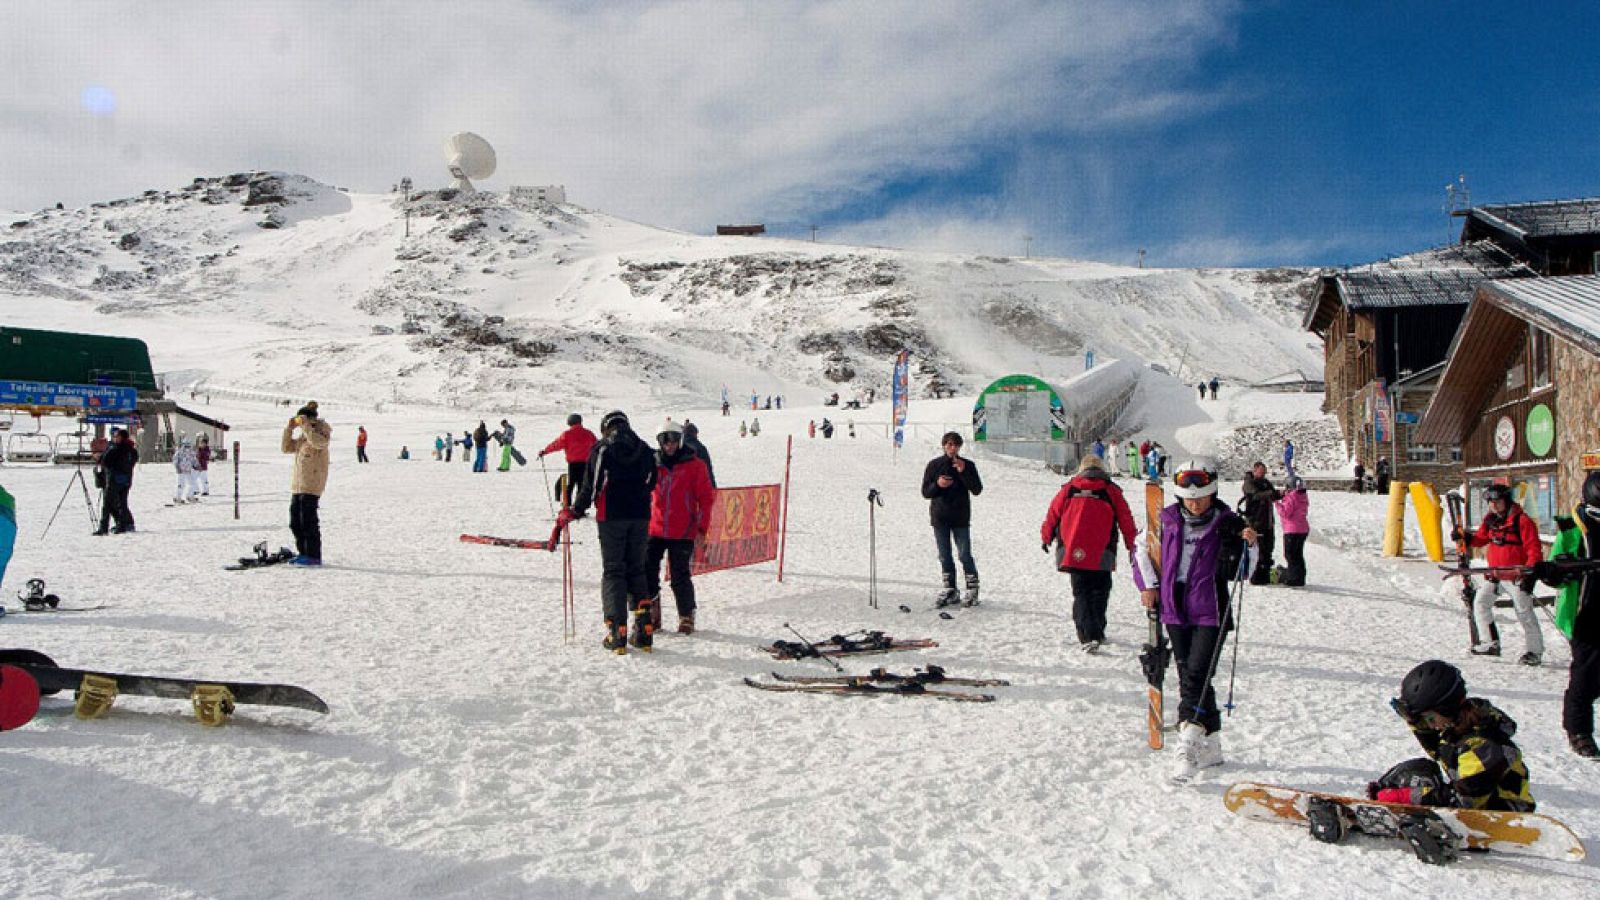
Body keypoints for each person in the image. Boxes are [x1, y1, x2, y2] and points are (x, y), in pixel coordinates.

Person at [1131, 456, 1257, 781]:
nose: (1195, 503)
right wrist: (1149, 585)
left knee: (1197, 673)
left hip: (1210, 609)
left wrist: (1250, 546)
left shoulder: (1226, 522)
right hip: (1174, 607)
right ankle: (1211, 744)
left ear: (1212, 492)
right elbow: (1140, 549)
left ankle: (1187, 740)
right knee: (1190, 672)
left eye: (1200, 496)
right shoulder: (1167, 519)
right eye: (1188, 497)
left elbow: (1246, 569)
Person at [1369, 660, 1534, 812]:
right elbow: (1438, 750)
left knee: (1426, 794)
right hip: (1473, 805)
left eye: (1430, 718)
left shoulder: (1483, 745)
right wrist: (1415, 721)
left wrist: (1404, 797)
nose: (1430, 725)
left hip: (1505, 813)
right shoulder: (1455, 727)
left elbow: (1467, 799)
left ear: (1447, 708)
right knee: (1418, 770)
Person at [571, 410, 658, 653]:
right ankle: (643, 629)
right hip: (641, 515)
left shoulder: (603, 449)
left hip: (611, 516)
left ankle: (616, 630)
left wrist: (577, 509)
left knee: (613, 570)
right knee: (637, 568)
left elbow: (591, 484)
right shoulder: (644, 448)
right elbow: (652, 480)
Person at [1040, 454, 1136, 653]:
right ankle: (1097, 631)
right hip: (1102, 549)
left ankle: (1085, 634)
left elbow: (1053, 513)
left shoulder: (1069, 489)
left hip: (1073, 548)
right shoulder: (1111, 490)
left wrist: (1046, 536)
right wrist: (1132, 544)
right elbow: (1126, 519)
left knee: (1081, 591)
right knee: (1100, 590)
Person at [1536, 471, 1600, 758]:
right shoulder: (1572, 529)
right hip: (1585, 614)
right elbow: (1556, 573)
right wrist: (1555, 571)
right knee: (1585, 676)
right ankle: (1579, 731)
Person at [1455, 483, 1544, 664]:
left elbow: (1534, 549)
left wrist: (1530, 573)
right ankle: (1490, 643)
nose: (1493, 505)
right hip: (1495, 575)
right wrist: (1466, 537)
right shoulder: (1491, 520)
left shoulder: (1522, 521)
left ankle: (1534, 652)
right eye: (1490, 502)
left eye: (1497, 501)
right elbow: (1480, 539)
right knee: (1480, 603)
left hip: (1516, 576)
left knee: (1524, 612)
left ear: (1506, 501)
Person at [647, 419, 716, 636]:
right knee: (647, 571)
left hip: (683, 530)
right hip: (654, 528)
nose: (669, 445)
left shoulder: (695, 465)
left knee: (679, 575)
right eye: (664, 441)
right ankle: (652, 613)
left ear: (680, 440)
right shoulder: (652, 464)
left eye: (673, 440)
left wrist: (701, 529)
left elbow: (706, 498)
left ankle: (686, 615)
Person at [922, 431, 983, 607]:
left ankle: (972, 588)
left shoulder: (968, 465)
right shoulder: (934, 465)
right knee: (944, 555)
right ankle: (950, 588)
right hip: (940, 517)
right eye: (948, 444)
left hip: (960, 517)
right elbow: (925, 492)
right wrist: (938, 485)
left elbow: (977, 489)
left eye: (955, 445)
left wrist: (963, 472)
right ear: (943, 446)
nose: (952, 448)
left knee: (964, 554)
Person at [281, 401, 331, 566]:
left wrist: (306, 426)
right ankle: (303, 552)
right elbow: (286, 448)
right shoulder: (304, 437)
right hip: (299, 485)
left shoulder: (321, 433)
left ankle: (313, 555)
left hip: (312, 485)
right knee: (295, 521)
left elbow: (318, 443)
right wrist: (289, 428)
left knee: (308, 521)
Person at [540, 414, 599, 507]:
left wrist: (545, 451)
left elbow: (556, 444)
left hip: (573, 464)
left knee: (571, 484)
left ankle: (567, 505)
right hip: (585, 463)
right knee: (581, 485)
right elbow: (597, 446)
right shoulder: (588, 433)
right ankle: (579, 506)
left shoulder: (567, 434)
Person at [1239, 461, 1282, 585]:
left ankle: (1265, 575)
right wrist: (1271, 493)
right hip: (1255, 522)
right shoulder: (1249, 483)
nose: (1263, 473)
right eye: (1261, 471)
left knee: (1268, 549)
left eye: (1264, 471)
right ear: (1254, 470)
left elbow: (1272, 496)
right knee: (1257, 551)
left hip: (1268, 522)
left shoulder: (1265, 482)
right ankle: (1256, 576)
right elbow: (1256, 495)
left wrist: (1281, 494)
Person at [95, 428, 138, 535]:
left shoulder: (116, 449)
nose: (115, 438)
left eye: (117, 436)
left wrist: (99, 458)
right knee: (122, 504)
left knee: (107, 504)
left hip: (114, 479)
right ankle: (122, 525)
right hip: (126, 480)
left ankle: (104, 527)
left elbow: (105, 461)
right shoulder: (132, 450)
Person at [1274, 477, 1309, 586]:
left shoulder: (1292, 497)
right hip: (1303, 528)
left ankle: (1293, 578)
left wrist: (1277, 503)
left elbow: (1285, 513)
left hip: (1292, 529)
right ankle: (1300, 577)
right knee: (1298, 554)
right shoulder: (1302, 496)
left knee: (1290, 555)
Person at [682, 420, 716, 487]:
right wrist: (713, 487)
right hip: (698, 485)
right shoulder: (700, 448)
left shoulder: (677, 447)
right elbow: (707, 469)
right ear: (694, 434)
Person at [172, 437, 200, 504]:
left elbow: (194, 460)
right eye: (186, 445)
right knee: (181, 484)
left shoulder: (191, 452)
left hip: (188, 470)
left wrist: (197, 465)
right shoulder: (179, 451)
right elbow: (175, 459)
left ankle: (189, 496)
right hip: (181, 470)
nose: (187, 447)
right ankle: (178, 497)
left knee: (192, 483)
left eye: (188, 445)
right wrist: (177, 467)